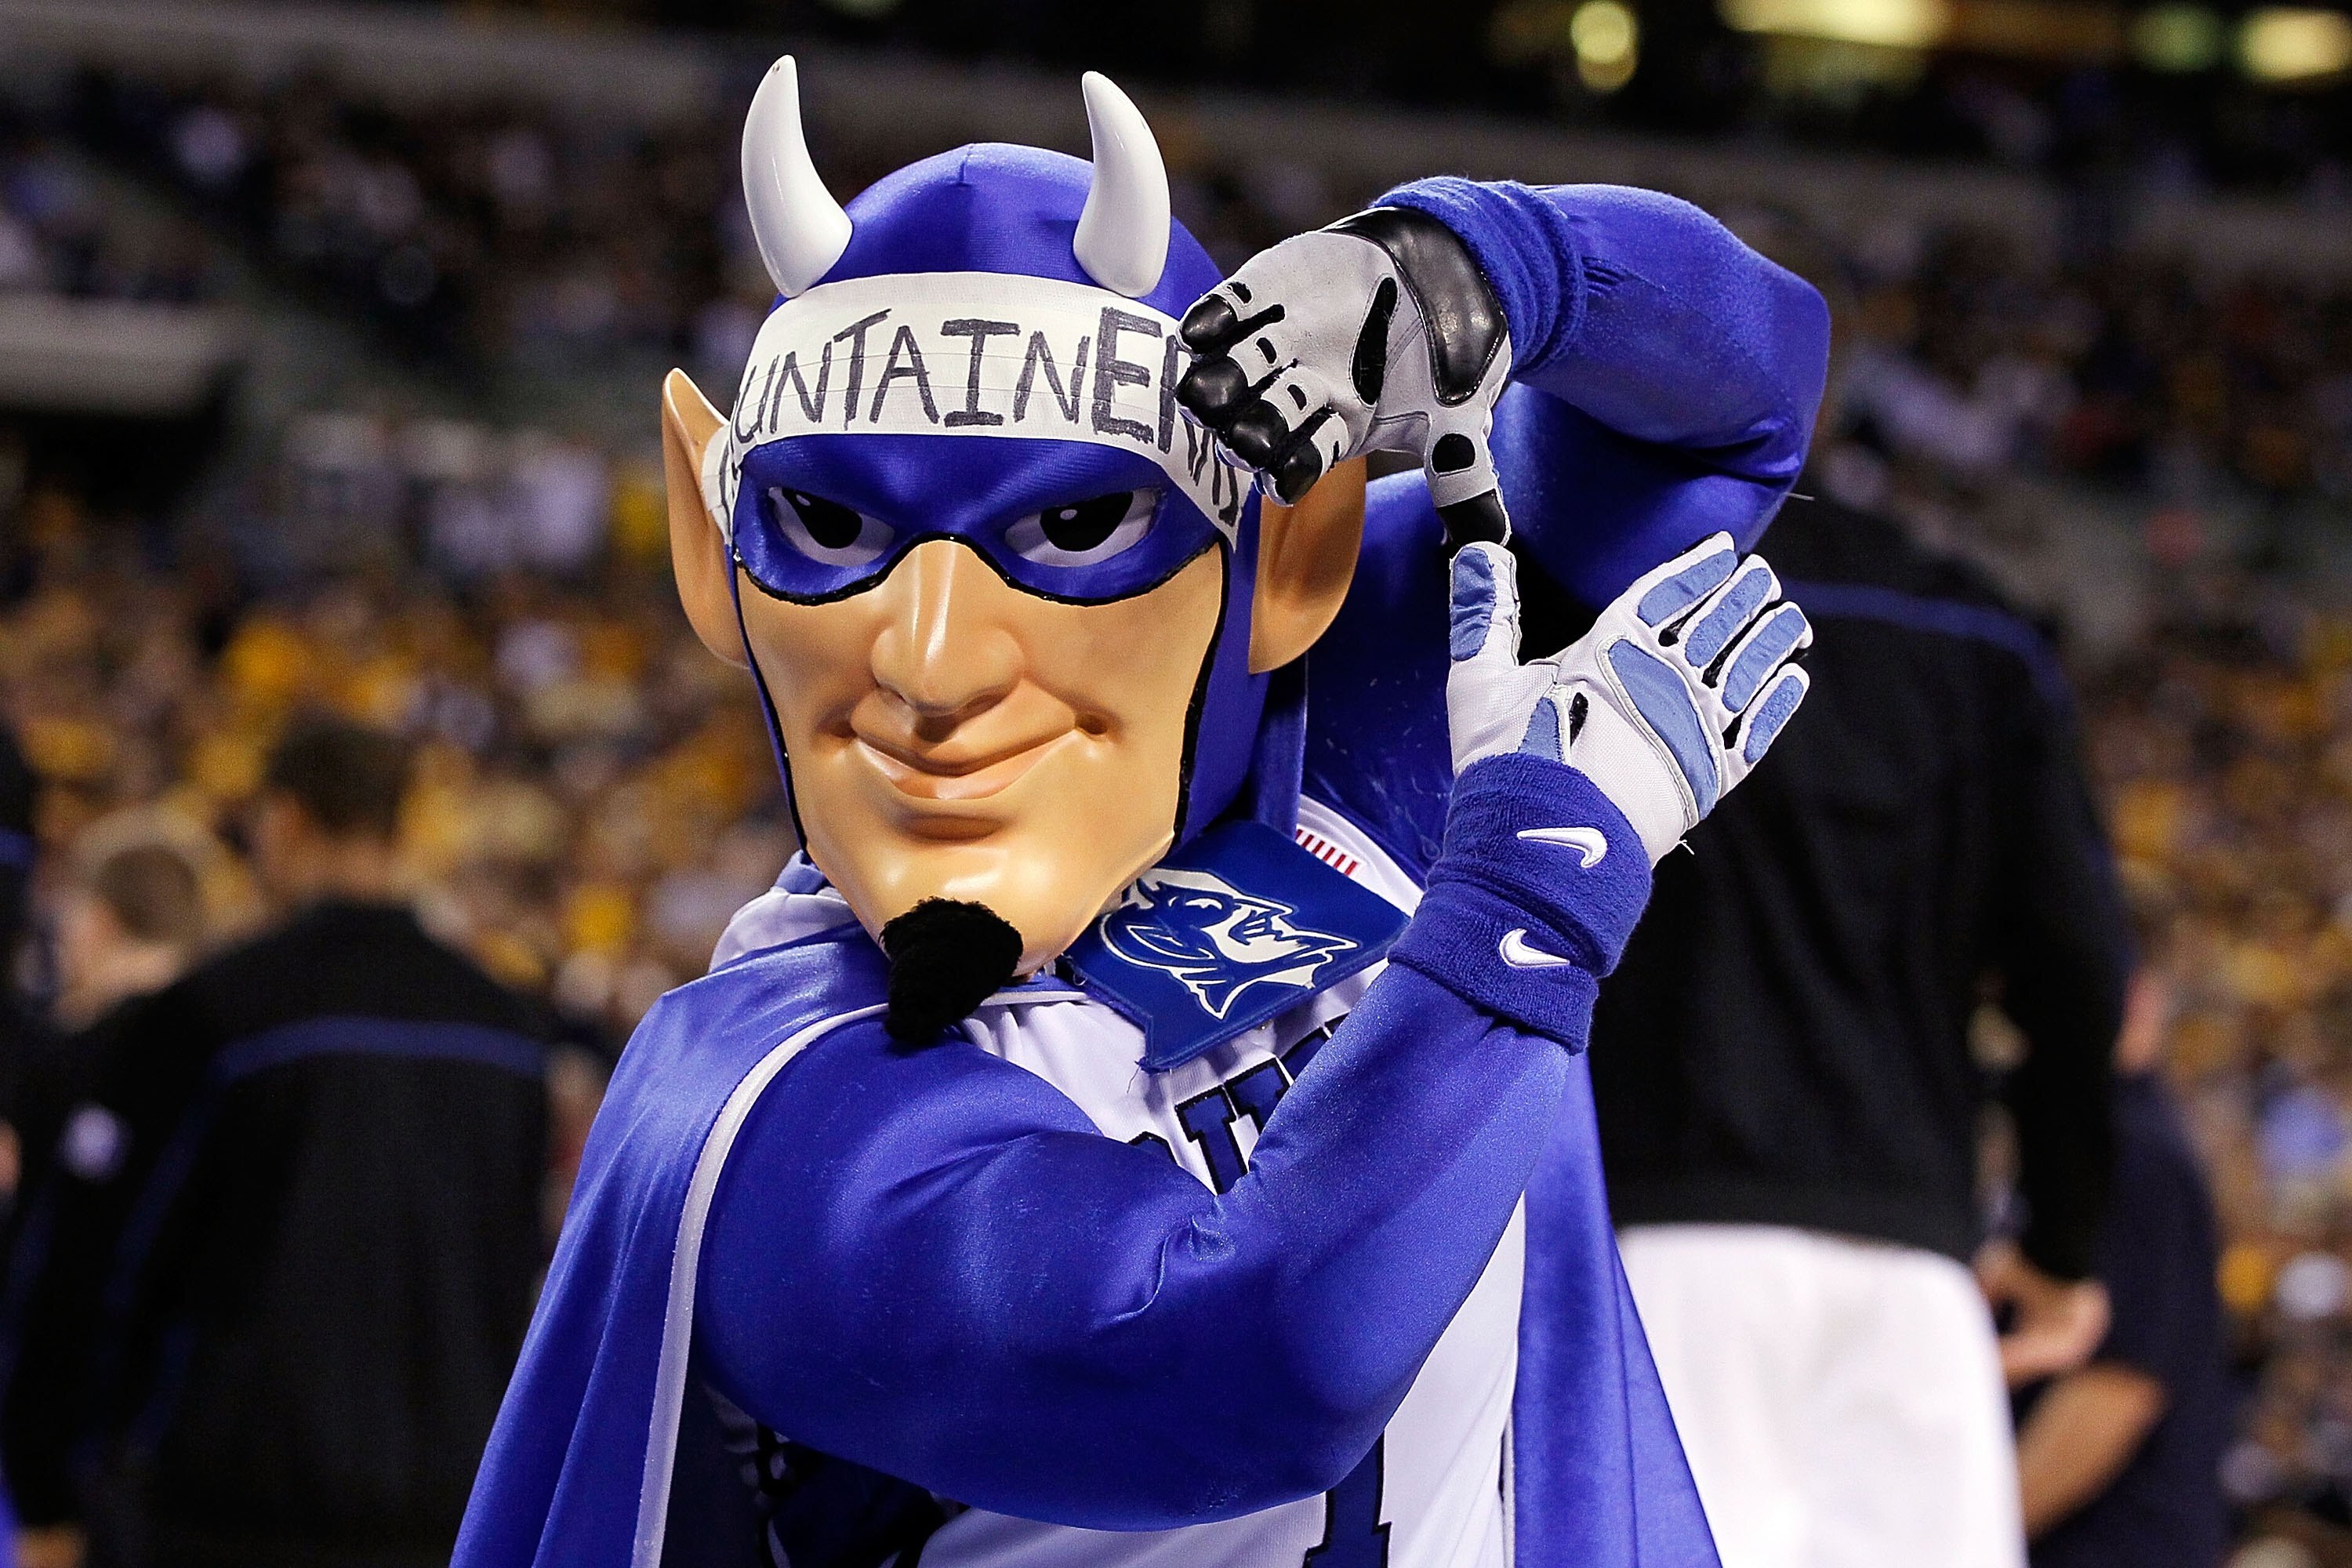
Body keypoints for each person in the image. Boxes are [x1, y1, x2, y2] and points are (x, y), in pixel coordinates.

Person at [456, 61, 1827, 1568]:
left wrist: (1480, 263)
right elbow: (1242, 1368)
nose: (932, 664)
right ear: (708, 549)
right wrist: (1534, 894)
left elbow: (1731, 406)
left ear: (1289, 559)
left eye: (1073, 528)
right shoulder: (754, 1121)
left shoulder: (1350, 709)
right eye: (833, 529)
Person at [1581, 220, 2132, 1568]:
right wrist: (2060, 1240)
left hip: (1653, 1237)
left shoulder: (1595, 593)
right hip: (1911, 1270)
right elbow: (2079, 972)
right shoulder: (1975, 633)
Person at [1, 714, 555, 1568]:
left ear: (286, 819)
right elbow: (516, 1270)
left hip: (227, 1509)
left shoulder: (220, 1013)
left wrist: (47, 1483)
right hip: (445, 1506)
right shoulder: (507, 1029)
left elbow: (100, 1265)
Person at [2014, 917, 2230, 1568]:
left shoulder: (2134, 1149)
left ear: (2141, 995)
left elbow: (2115, 1390)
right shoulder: (2095, 1130)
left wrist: (1969, 1541)